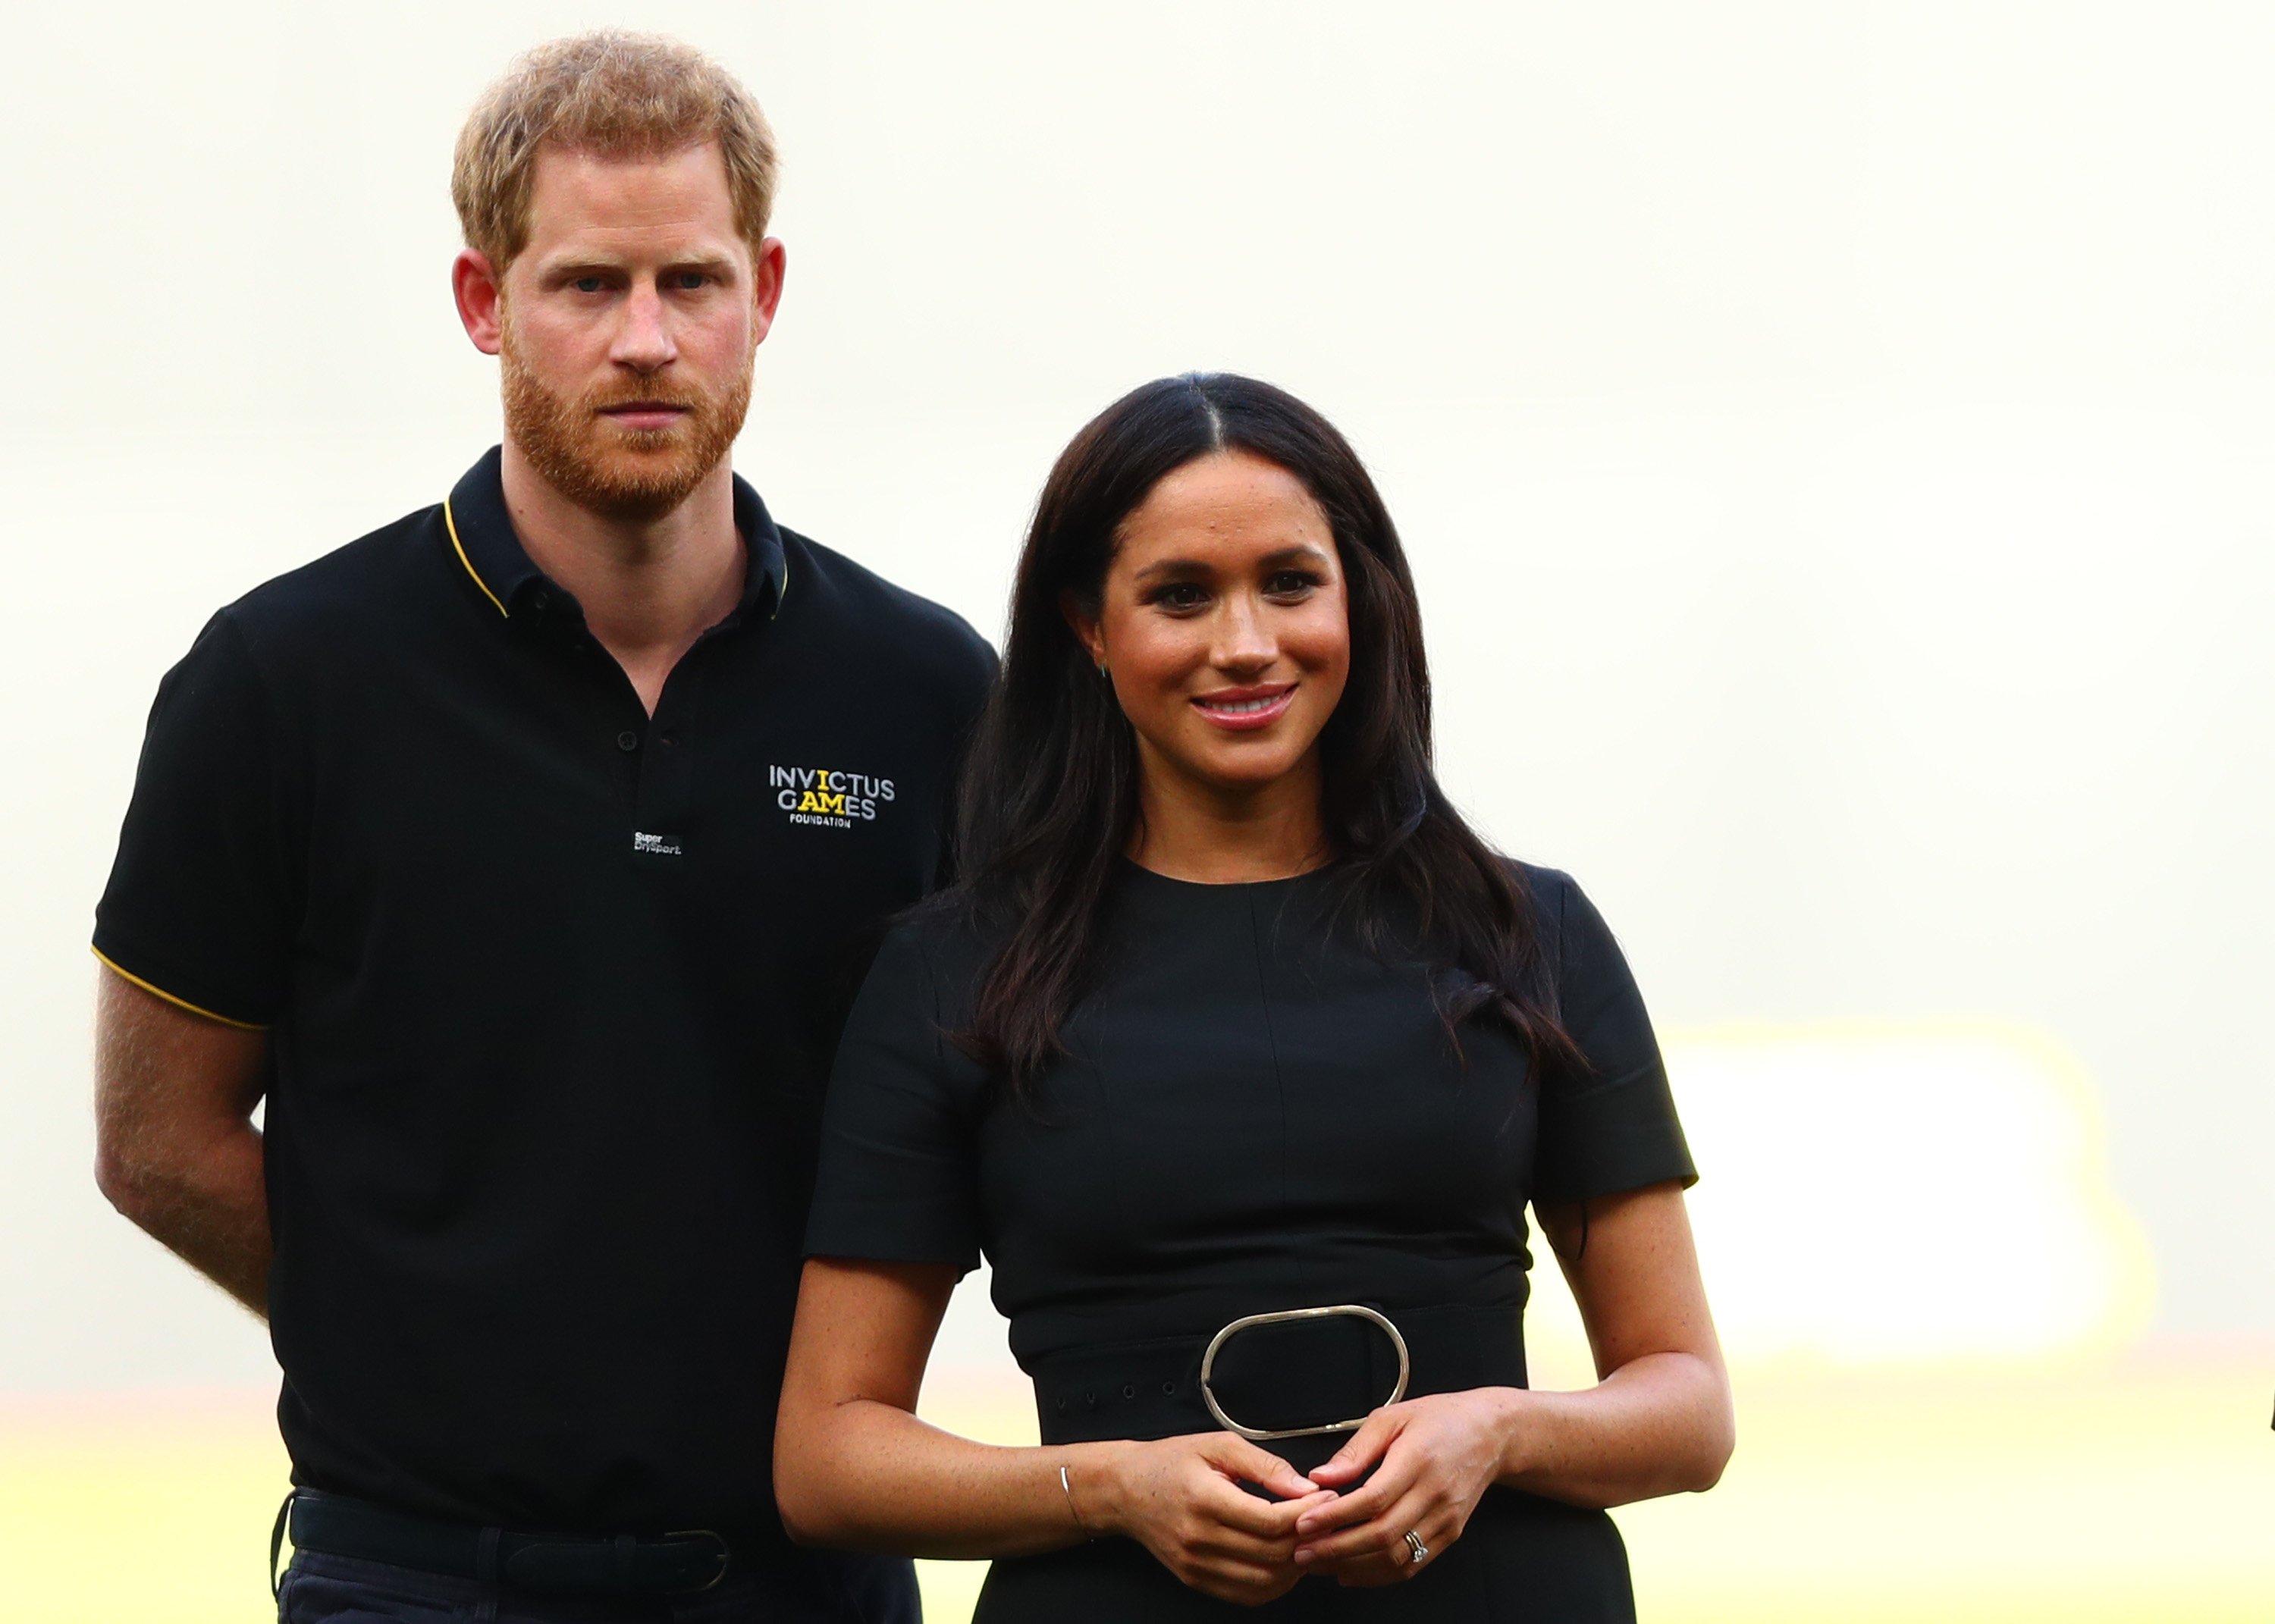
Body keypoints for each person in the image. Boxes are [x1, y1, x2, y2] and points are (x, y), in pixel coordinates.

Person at [90, 31, 993, 1623]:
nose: (647, 339)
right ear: (483, 301)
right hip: (417, 1579)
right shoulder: (284, 680)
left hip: (808, 1583)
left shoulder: (924, 695)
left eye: (692, 282)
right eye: (586, 285)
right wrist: (427, 1348)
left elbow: (1022, 1116)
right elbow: (159, 1146)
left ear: (765, 292)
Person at [774, 373, 1734, 1620]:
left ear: (1360, 597)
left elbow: (1687, 1405)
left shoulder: (1525, 932)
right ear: (1088, 625)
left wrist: (1499, 1431)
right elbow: (828, 1452)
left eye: (1290, 582)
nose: (1245, 642)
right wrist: (1108, 1485)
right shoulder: (959, 972)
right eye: (1181, 594)